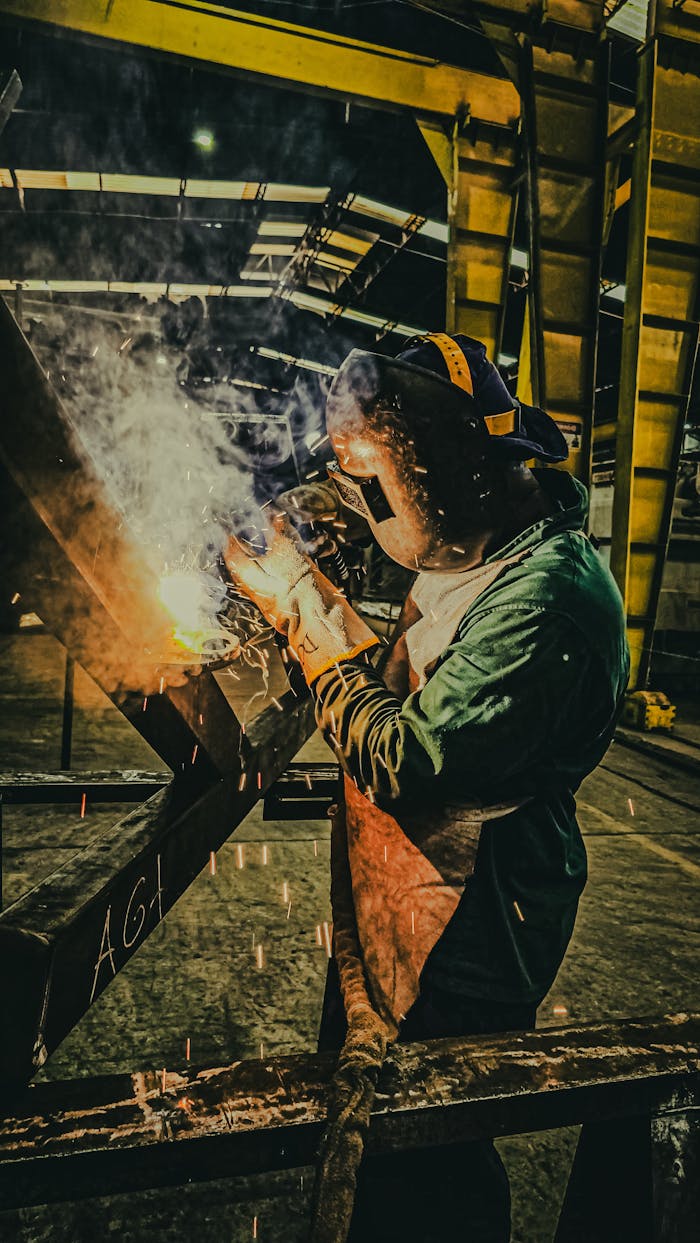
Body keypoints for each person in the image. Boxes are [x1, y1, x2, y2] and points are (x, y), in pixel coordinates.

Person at [226, 331, 630, 1242]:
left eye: (377, 488)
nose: (365, 505)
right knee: (368, 1120)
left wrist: (303, 604)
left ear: (449, 473)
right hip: (412, 898)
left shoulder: (547, 601)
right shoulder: (482, 533)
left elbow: (404, 761)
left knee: (425, 1159)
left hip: (475, 918)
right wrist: (330, 508)